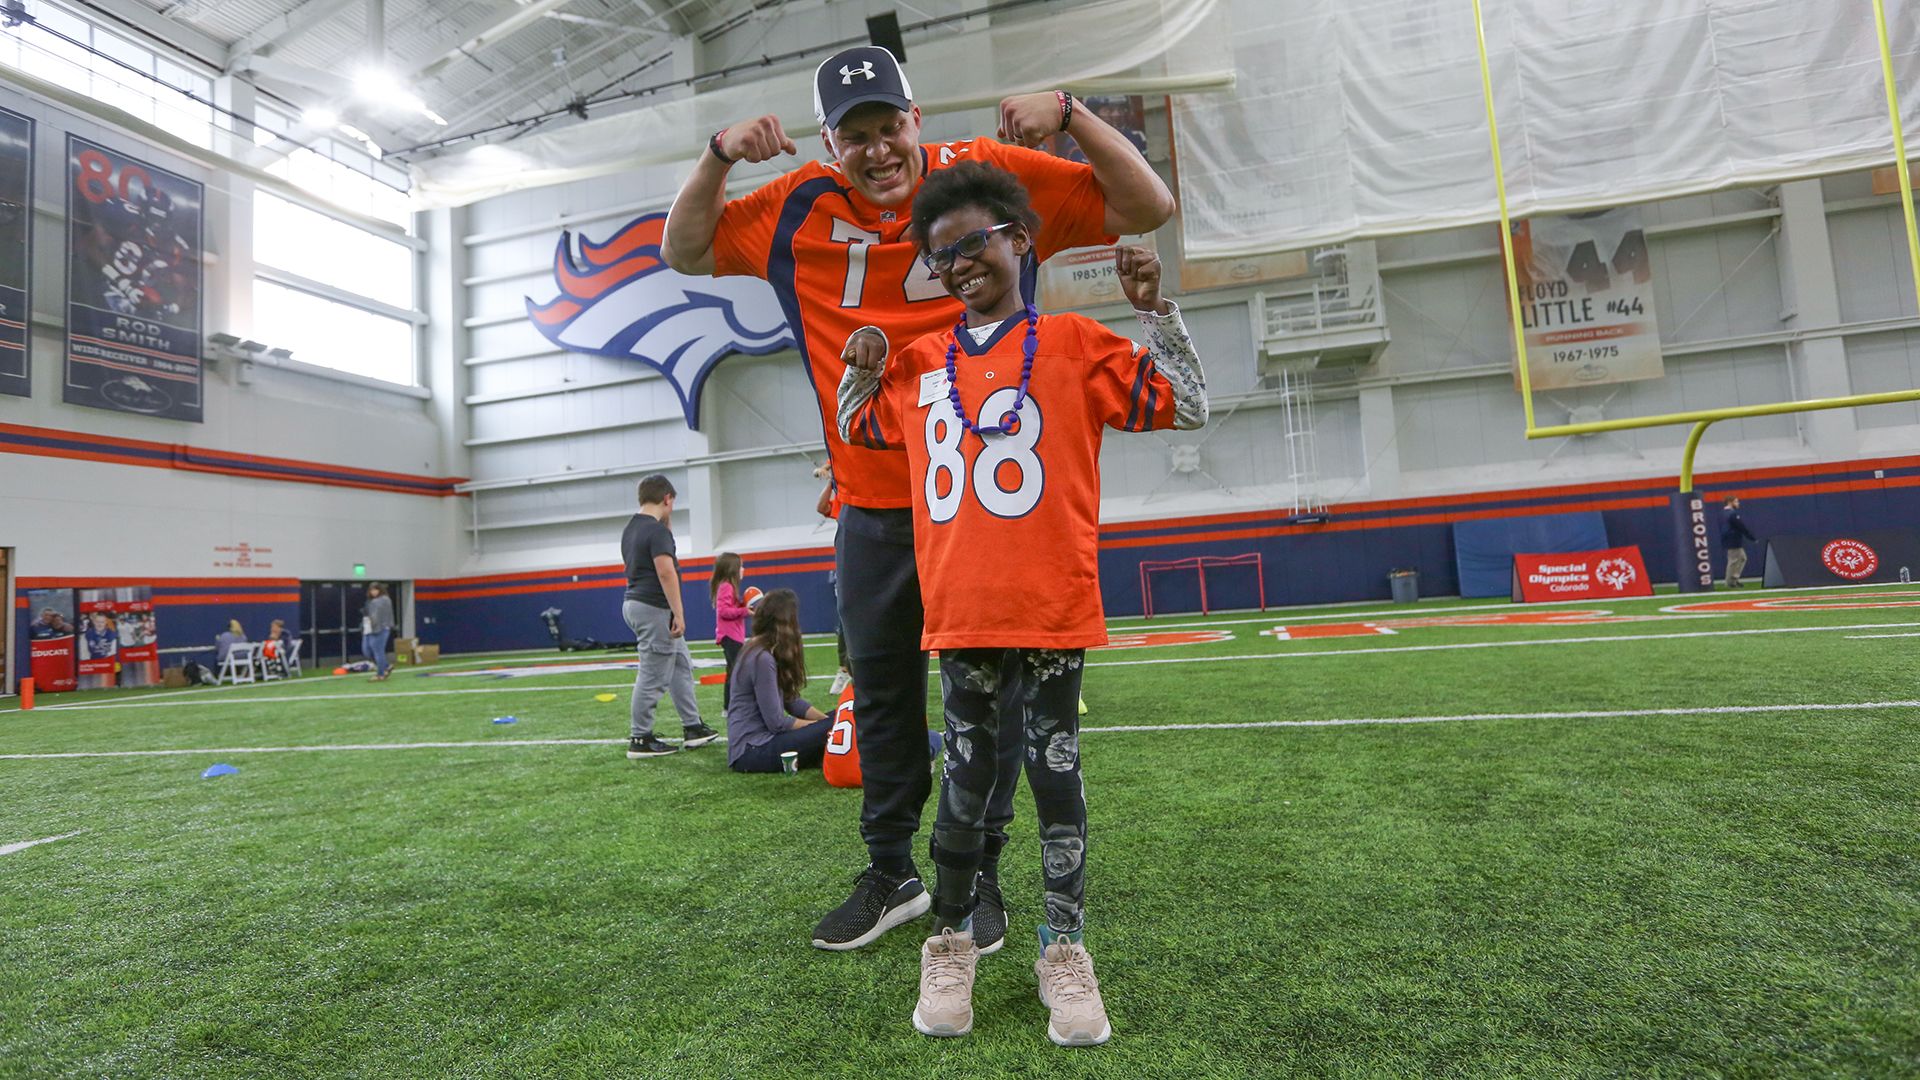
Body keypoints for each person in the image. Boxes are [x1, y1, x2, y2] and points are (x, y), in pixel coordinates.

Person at [662, 42, 1175, 953]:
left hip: (982, 503)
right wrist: (717, 151)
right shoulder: (794, 208)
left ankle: (978, 877)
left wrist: (1069, 107)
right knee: (886, 692)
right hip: (874, 499)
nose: (876, 150)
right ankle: (891, 871)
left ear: (917, 120)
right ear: (827, 143)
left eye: (888, 126)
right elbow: (684, 248)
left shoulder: (986, 179)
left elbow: (1147, 205)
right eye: (853, 136)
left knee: (991, 702)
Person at [838, 162, 1208, 1046]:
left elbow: (1186, 405)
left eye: (974, 243)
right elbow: (858, 430)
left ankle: (1065, 952)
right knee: (965, 787)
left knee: (1055, 781)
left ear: (1020, 240)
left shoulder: (1076, 341)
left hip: (1050, 608)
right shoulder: (923, 361)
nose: (959, 263)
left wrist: (1157, 312)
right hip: (961, 611)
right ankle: (952, 938)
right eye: (940, 255)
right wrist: (861, 367)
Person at [622, 474, 723, 758]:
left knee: (680, 665)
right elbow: (665, 572)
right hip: (654, 607)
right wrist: (678, 613)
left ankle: (693, 727)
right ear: (667, 499)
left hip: (638, 603)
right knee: (652, 675)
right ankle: (640, 738)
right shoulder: (656, 532)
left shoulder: (632, 529)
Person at [725, 589, 833, 773]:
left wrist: (826, 720)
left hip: (758, 746)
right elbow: (776, 723)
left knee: (842, 716)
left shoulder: (762, 650)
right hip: (752, 750)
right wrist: (823, 727)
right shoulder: (762, 658)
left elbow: (792, 701)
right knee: (840, 723)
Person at [709, 552, 751, 708]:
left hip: (734, 636)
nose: (743, 569)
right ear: (732, 569)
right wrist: (744, 611)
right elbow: (724, 612)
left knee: (735, 670)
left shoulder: (729, 587)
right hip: (730, 636)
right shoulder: (726, 587)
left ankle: (731, 705)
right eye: (740, 566)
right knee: (735, 672)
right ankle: (730, 705)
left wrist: (742, 606)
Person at [1721, 497, 1757, 588]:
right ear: (1730, 502)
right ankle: (1730, 582)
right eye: (1736, 501)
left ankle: (1734, 579)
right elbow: (1741, 527)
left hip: (1727, 539)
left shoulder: (1722, 514)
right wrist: (1751, 537)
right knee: (1734, 560)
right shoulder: (1732, 514)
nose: (1738, 503)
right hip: (1733, 540)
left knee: (1742, 558)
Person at [362, 585, 394, 681]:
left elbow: (378, 615)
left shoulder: (384, 600)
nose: (373, 592)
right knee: (366, 650)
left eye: (376, 589)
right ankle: (386, 666)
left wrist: (375, 625)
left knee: (378, 651)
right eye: (371, 590)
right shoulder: (370, 601)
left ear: (380, 590)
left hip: (381, 628)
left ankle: (380, 674)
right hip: (368, 628)